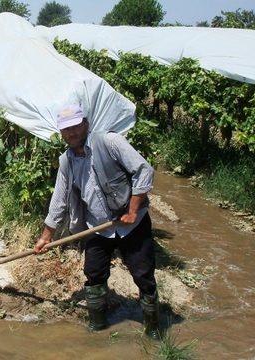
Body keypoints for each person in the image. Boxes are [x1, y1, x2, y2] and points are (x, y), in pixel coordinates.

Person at [33, 104, 160, 339]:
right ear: (61, 133)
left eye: (75, 127)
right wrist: (45, 237)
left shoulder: (109, 142)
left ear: (85, 124)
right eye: (66, 130)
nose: (71, 134)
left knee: (143, 274)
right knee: (94, 275)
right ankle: (97, 329)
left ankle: (153, 329)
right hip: (98, 227)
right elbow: (59, 201)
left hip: (132, 223)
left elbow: (143, 170)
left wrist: (132, 210)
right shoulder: (66, 161)